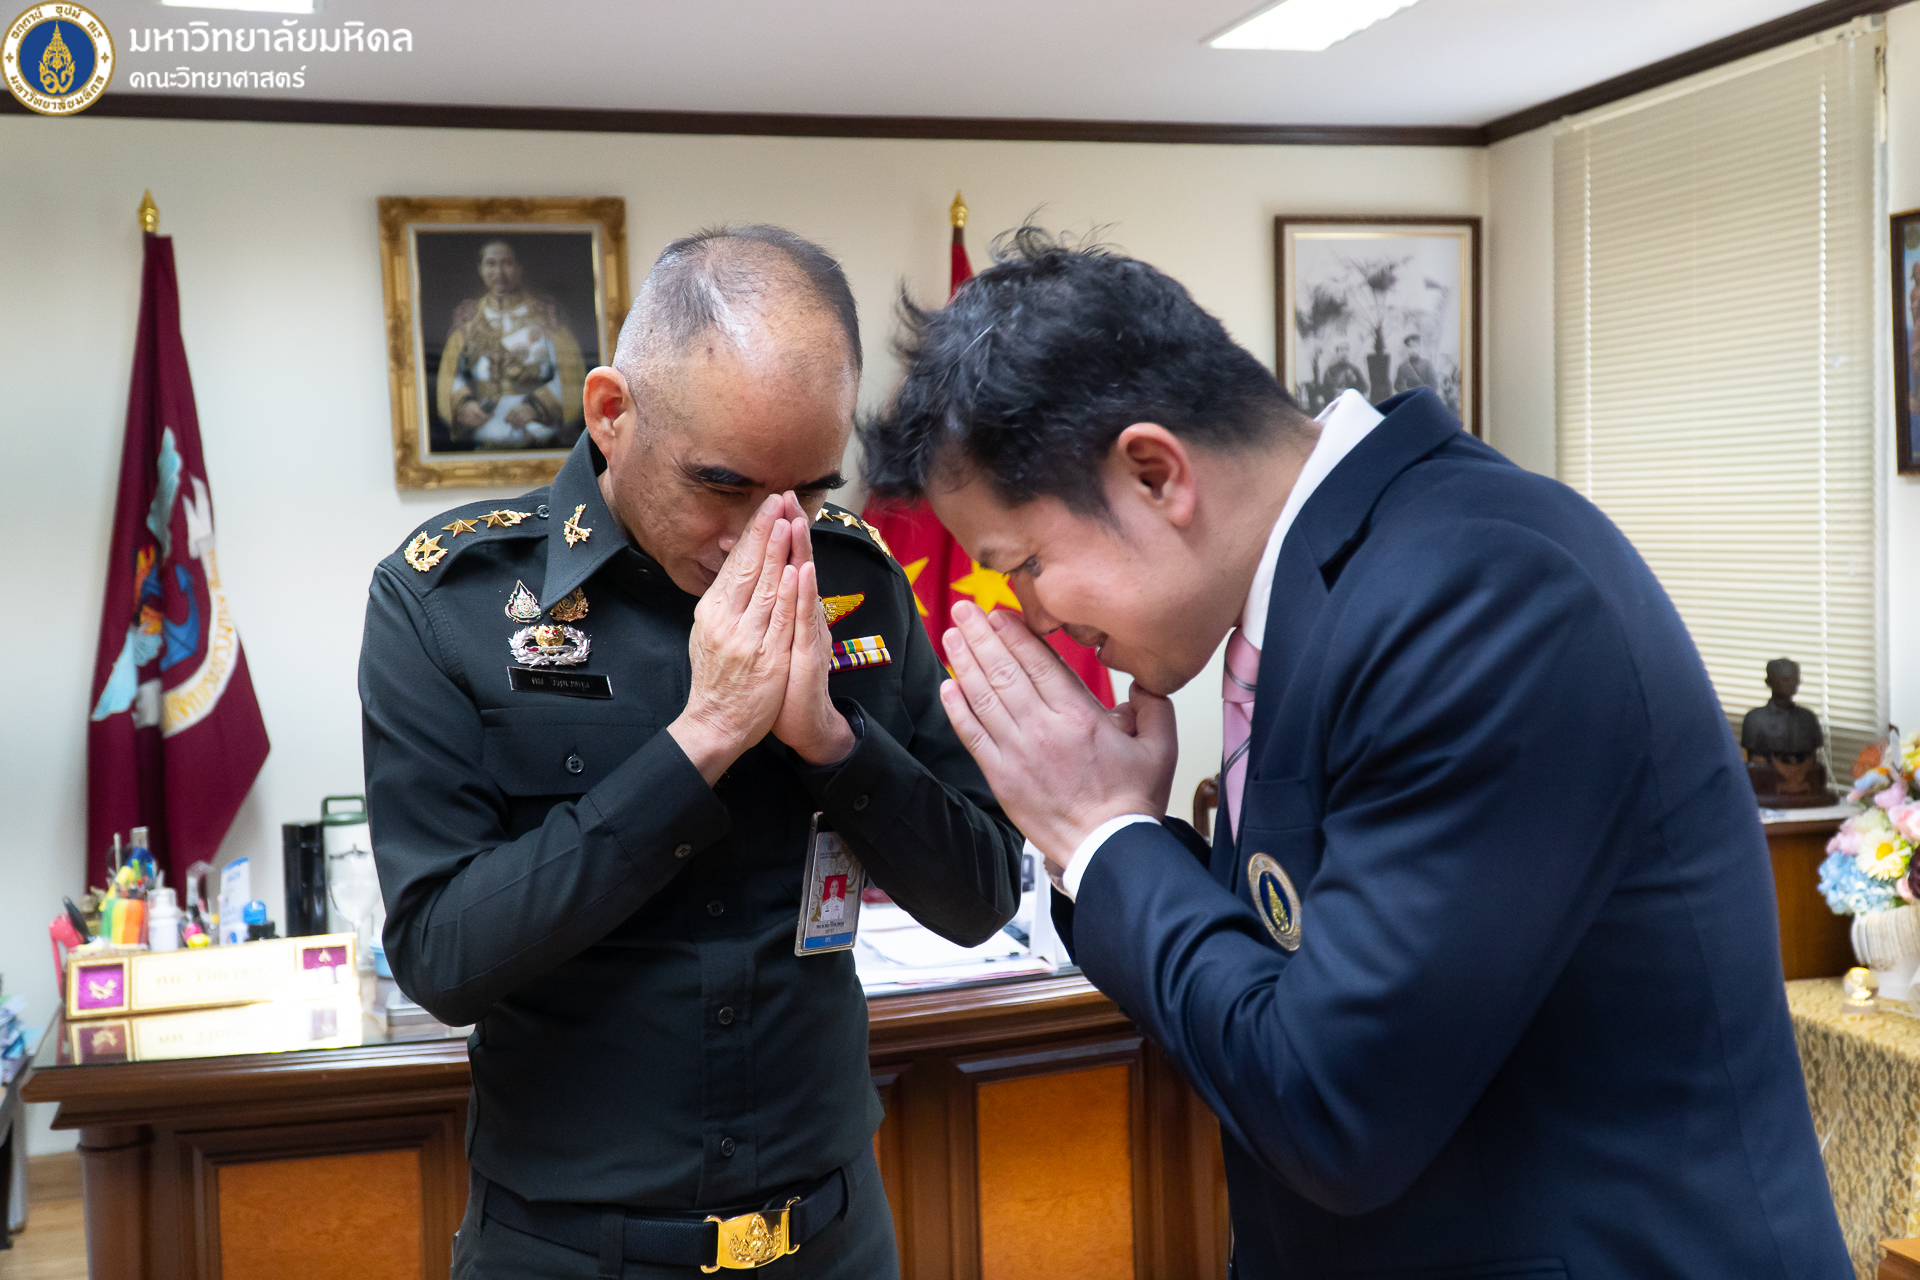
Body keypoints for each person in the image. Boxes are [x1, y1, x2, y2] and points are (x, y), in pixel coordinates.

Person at [858, 228, 1850, 1279]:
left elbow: (1333, 1106)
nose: (1031, 614)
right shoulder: (1334, 589)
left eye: (1026, 564)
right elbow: (1297, 970)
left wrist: (1105, 839)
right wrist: (1122, 837)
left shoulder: (1479, 593)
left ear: (1155, 473)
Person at [362, 225, 1021, 1278]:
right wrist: (702, 738)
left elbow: (981, 894)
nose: (767, 537)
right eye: (723, 486)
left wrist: (832, 742)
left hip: (831, 1233)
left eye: (808, 491)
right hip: (572, 1247)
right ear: (611, 413)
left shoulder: (855, 579)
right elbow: (443, 958)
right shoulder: (452, 602)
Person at [436, 238, 587, 451]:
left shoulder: (546, 315)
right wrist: (465, 405)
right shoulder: (468, 318)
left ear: (518, 268)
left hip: (538, 431)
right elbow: (451, 375)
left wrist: (536, 408)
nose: (499, 272)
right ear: (480, 269)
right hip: (484, 429)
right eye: (490, 264)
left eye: (506, 263)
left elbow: (570, 373)